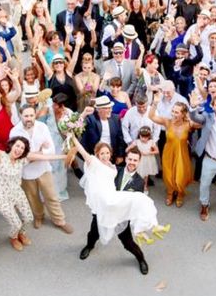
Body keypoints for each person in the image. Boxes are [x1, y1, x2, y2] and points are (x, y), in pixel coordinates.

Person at [74, 140, 167, 275]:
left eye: (135, 160)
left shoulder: (140, 182)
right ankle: (89, 246)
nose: (132, 162)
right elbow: (97, 176)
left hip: (121, 216)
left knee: (128, 242)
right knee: (93, 233)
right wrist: (78, 168)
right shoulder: (114, 170)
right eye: (130, 159)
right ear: (126, 159)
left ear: (139, 162)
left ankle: (141, 259)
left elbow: (134, 206)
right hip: (103, 210)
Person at [0, 131, 69, 250]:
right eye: (17, 146)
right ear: (11, 145)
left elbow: (45, 157)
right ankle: (13, 237)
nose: (19, 149)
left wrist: (64, 156)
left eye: (22, 148)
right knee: (16, 223)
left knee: (29, 218)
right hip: (1, 197)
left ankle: (21, 233)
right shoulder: (1, 156)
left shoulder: (22, 160)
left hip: (17, 193)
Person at [10, 106, 73, 233]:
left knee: (51, 196)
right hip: (26, 172)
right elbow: (17, 155)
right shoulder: (14, 132)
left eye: (31, 116)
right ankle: (39, 216)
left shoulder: (42, 127)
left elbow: (51, 149)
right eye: (26, 116)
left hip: (43, 169)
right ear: (21, 116)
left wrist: (33, 155)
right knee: (32, 197)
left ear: (35, 115)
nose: (29, 119)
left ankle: (59, 220)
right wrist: (38, 153)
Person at [128, 126, 159, 194]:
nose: (143, 139)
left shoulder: (151, 142)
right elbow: (128, 149)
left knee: (146, 174)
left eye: (146, 137)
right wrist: (136, 152)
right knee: (137, 173)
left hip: (147, 160)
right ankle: (135, 186)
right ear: (139, 135)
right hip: (139, 160)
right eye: (142, 137)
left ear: (149, 136)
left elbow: (157, 151)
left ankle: (145, 186)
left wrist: (149, 152)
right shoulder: (137, 142)